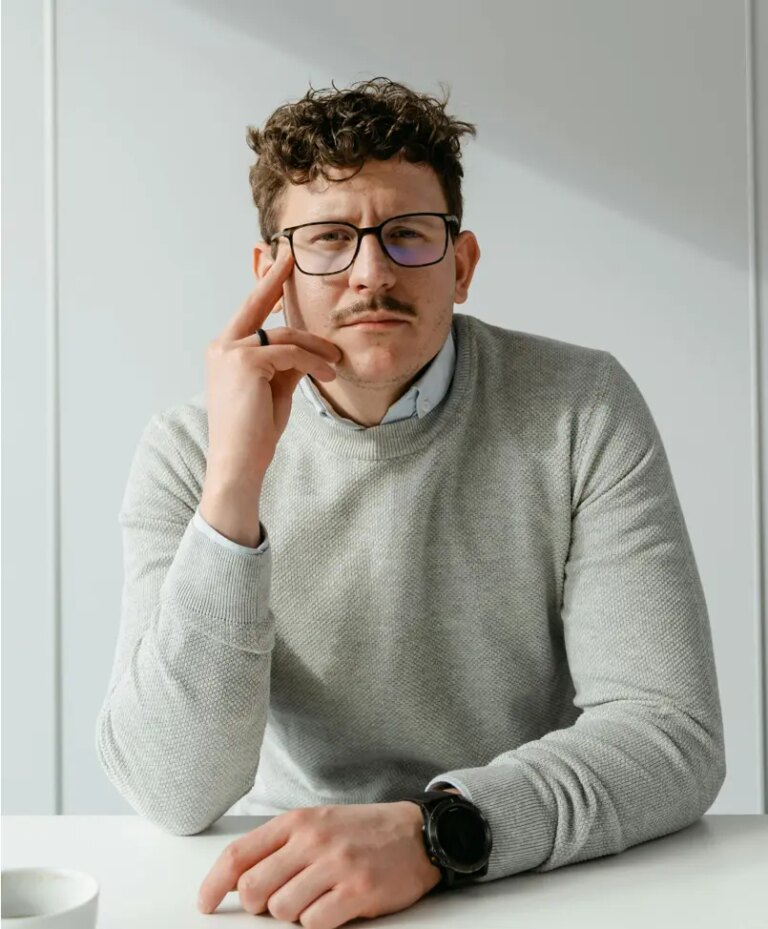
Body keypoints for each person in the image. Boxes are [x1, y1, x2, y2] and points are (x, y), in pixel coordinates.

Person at [95, 77, 726, 928]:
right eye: (328, 239)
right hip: (284, 887)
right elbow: (173, 788)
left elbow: (671, 731)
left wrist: (437, 834)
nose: (371, 272)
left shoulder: (582, 408)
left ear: (460, 266)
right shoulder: (189, 453)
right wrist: (234, 486)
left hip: (520, 876)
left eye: (407, 234)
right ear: (271, 275)